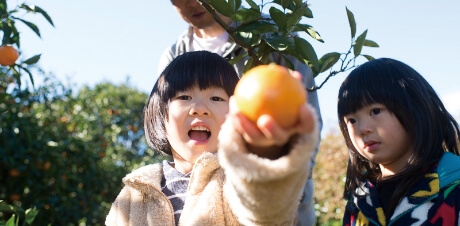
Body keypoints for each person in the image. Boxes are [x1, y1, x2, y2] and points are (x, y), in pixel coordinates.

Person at [106, 51, 320, 225]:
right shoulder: (134, 194)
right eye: (184, 97)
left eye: (216, 98)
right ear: (161, 115)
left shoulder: (236, 179)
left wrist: (267, 152)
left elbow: (268, 212)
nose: (200, 109)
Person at [159, 1, 323, 225]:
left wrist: (284, 192)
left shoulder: (274, 35)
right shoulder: (174, 55)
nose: (193, 3)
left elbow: (306, 130)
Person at [338, 58, 460, 225]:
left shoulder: (453, 183)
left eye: (375, 111)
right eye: (351, 120)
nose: (363, 129)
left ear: (414, 107)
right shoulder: (359, 199)